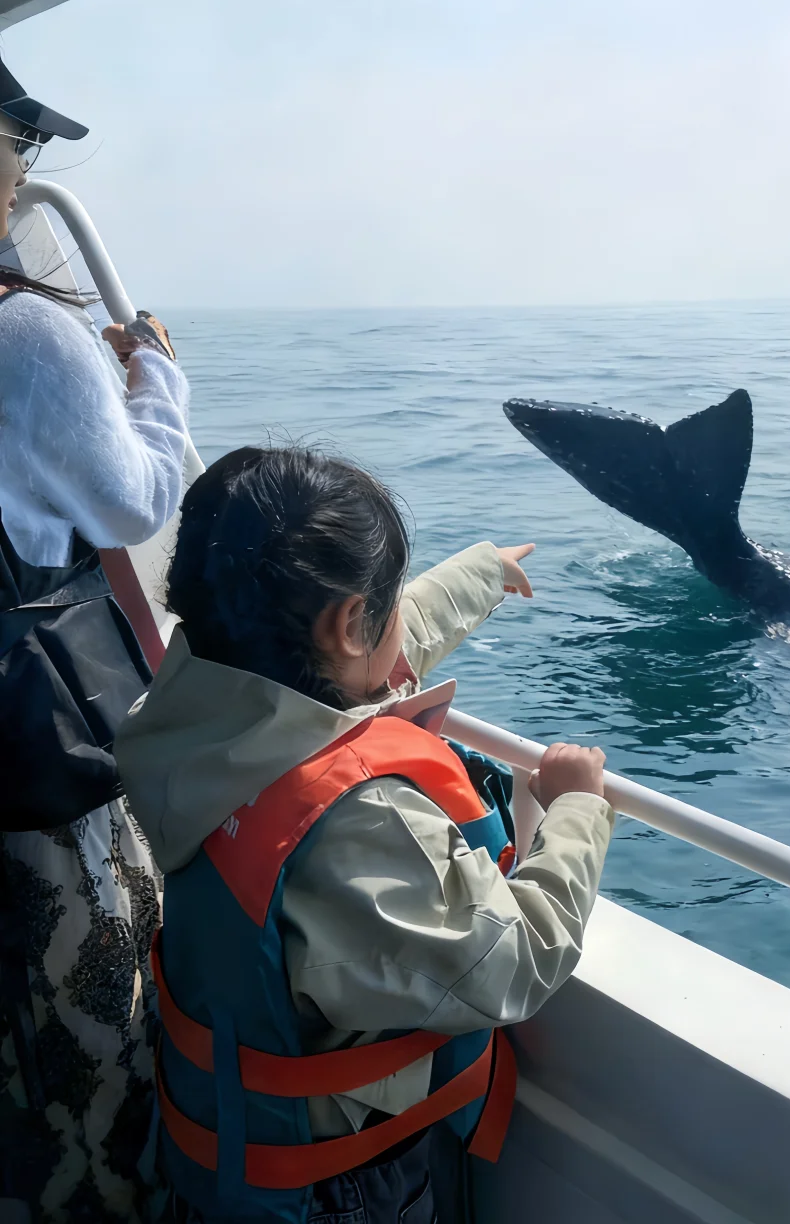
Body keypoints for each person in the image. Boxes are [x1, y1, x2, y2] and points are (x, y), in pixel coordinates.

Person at [115, 445, 614, 1224]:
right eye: (380, 610)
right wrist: (577, 809)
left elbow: (350, 654)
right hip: (341, 1189)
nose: (397, 641)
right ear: (350, 621)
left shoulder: (183, 718)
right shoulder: (359, 823)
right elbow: (515, 960)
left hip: (224, 1146)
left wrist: (477, 577)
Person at [0, 59, 190, 1221]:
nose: (25, 174)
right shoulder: (26, 332)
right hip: (32, 783)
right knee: (91, 1073)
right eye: (18, 145)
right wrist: (157, 373)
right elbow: (133, 506)